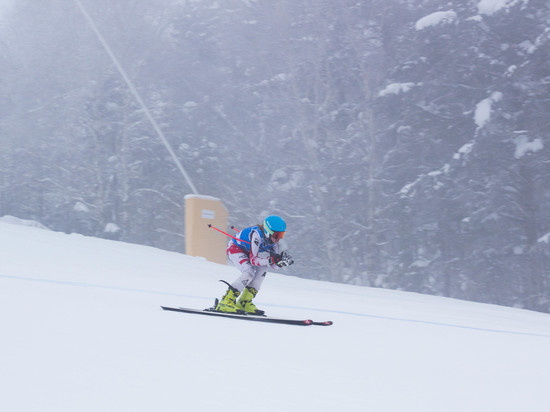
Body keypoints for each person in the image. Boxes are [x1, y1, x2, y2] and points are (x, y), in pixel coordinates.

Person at [215, 215, 294, 315]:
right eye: (277, 235)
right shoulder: (256, 235)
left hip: (247, 251)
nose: (279, 239)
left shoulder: (274, 243)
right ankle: (226, 301)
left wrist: (281, 262)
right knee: (249, 272)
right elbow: (253, 260)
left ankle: (244, 302)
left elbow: (274, 266)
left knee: (263, 268)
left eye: (282, 235)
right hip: (235, 249)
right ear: (267, 231)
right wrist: (271, 260)